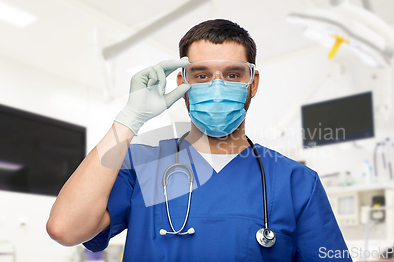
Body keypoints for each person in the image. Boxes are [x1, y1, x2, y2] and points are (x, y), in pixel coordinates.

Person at [46, 19, 352, 261]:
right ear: (183, 82)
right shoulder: (142, 164)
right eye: (202, 75)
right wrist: (128, 120)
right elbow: (64, 229)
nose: (217, 88)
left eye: (233, 75)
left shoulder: (296, 181)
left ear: (252, 83)